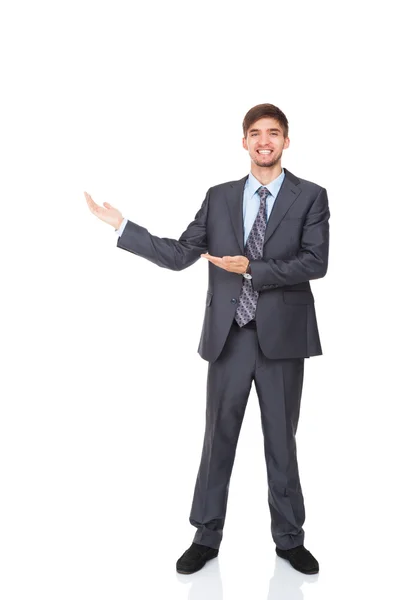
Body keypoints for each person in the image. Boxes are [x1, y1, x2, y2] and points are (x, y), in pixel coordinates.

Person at [84, 103, 330, 576]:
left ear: (286, 141)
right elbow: (181, 254)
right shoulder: (219, 197)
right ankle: (206, 535)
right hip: (230, 338)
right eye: (255, 133)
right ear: (243, 141)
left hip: (282, 341)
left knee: (282, 440)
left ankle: (289, 539)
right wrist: (122, 226)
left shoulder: (311, 196)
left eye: (273, 133)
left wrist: (253, 269)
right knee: (218, 439)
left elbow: (315, 262)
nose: (264, 141)